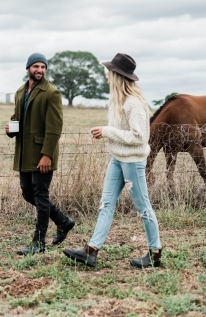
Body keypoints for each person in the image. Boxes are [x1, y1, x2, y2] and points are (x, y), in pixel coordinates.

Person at [63, 53, 162, 268]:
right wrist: (106, 132)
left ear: (117, 75)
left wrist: (108, 131)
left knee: (143, 207)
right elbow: (122, 131)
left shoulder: (133, 103)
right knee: (105, 204)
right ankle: (91, 251)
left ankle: (155, 253)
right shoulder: (117, 101)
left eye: (109, 71)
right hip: (117, 159)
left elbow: (139, 137)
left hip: (132, 162)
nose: (106, 74)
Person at [5, 52, 75, 255]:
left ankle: (38, 243)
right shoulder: (20, 92)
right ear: (28, 68)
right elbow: (18, 118)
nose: (40, 70)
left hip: (42, 154)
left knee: (41, 195)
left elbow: (54, 128)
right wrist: (11, 129)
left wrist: (47, 155)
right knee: (28, 193)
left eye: (43, 67)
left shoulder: (51, 92)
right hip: (24, 154)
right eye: (36, 66)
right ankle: (63, 221)